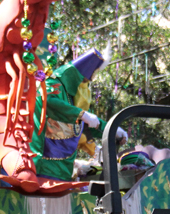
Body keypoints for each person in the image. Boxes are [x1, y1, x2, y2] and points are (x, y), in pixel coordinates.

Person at [30, 49, 126, 180]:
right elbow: (47, 101)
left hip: (64, 171)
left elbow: (88, 122)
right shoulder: (53, 83)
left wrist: (112, 129)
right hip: (43, 167)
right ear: (78, 77)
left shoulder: (72, 96)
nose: (87, 84)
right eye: (86, 80)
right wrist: (81, 115)